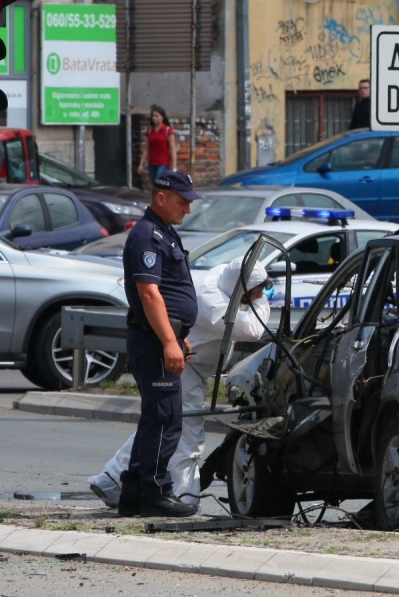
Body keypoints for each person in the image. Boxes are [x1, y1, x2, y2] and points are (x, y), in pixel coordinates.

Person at [88, 258, 272, 511]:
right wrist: (262, 302)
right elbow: (250, 330)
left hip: (188, 365)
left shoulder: (226, 278)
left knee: (162, 425)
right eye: (255, 293)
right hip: (182, 365)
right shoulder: (211, 300)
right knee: (188, 432)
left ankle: (110, 480)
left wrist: (255, 295)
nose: (259, 296)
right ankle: (186, 497)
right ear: (241, 289)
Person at [119, 170, 201, 517]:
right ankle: (156, 492)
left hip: (161, 338)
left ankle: (135, 494)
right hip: (153, 341)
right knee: (166, 419)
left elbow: (166, 294)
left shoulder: (163, 233)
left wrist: (178, 336)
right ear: (160, 197)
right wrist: (169, 340)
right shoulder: (147, 236)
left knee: (155, 418)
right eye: (182, 201)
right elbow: (150, 294)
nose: (187, 208)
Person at [137, 104, 178, 183]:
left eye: (157, 116)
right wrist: (141, 164)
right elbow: (146, 149)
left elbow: (173, 149)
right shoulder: (149, 131)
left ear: (162, 117)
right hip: (152, 162)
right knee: (155, 184)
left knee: (159, 181)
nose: (154, 118)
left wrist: (174, 167)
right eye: (153, 116)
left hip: (164, 162)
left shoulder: (167, 131)